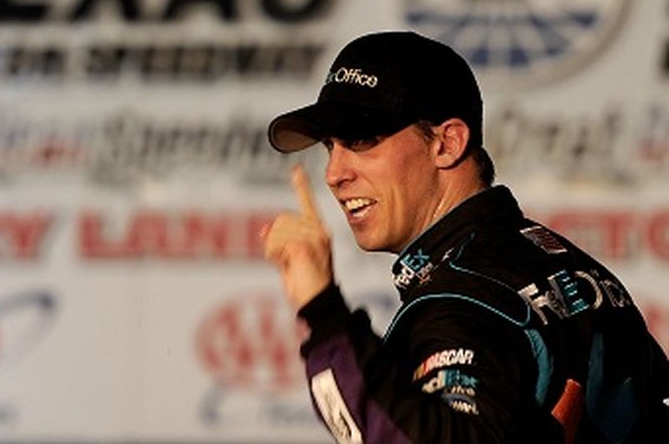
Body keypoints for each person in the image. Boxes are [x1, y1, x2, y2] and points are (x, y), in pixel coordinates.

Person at [263, 31, 669, 443]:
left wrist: (324, 314)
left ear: (447, 143)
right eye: (330, 146)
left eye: (361, 141)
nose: (334, 174)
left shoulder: (461, 301)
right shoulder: (563, 262)